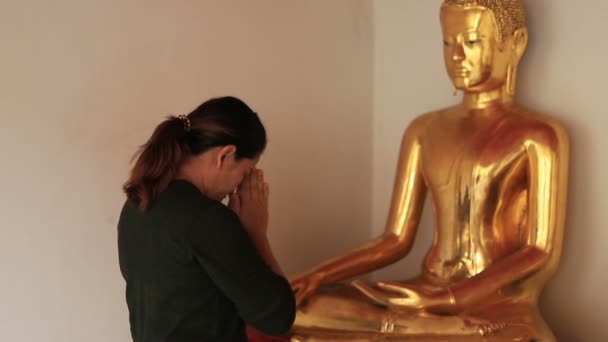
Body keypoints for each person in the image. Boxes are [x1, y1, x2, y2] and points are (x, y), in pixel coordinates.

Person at [289, 0, 569, 341]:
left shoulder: (538, 135)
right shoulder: (425, 130)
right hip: (425, 293)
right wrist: (319, 275)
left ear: (516, 42)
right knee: (303, 309)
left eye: (471, 41)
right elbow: (395, 240)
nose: (456, 55)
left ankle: (429, 328)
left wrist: (450, 298)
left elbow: (539, 253)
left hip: (496, 304)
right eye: (448, 42)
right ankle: (432, 329)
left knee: (518, 338)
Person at [118, 96, 295, 342]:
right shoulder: (206, 218)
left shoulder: (137, 205)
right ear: (225, 155)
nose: (237, 188)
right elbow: (278, 318)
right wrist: (255, 232)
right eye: (244, 172)